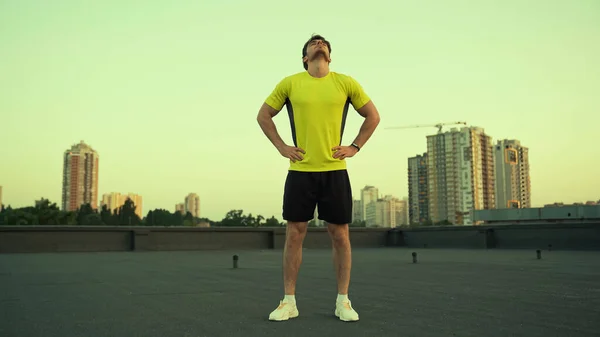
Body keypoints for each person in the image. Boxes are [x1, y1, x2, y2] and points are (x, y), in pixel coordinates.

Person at [256, 34, 380, 322]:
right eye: (313, 43)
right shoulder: (290, 83)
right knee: (294, 234)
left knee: (340, 236)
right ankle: (288, 302)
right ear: (305, 58)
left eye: (323, 43)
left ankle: (343, 302)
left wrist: (355, 146)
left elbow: (372, 116)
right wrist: (281, 146)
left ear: (330, 56)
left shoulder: (345, 83)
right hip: (300, 171)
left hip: (335, 171)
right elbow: (264, 115)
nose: (319, 44)